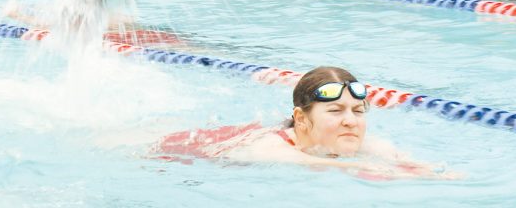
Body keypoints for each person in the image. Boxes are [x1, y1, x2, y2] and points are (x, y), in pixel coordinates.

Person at [152, 66, 459, 179]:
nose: (351, 121)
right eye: (335, 112)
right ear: (301, 118)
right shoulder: (269, 147)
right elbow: (291, 161)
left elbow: (399, 160)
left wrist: (426, 170)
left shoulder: (366, 142)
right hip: (174, 151)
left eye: (358, 111)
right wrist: (360, 168)